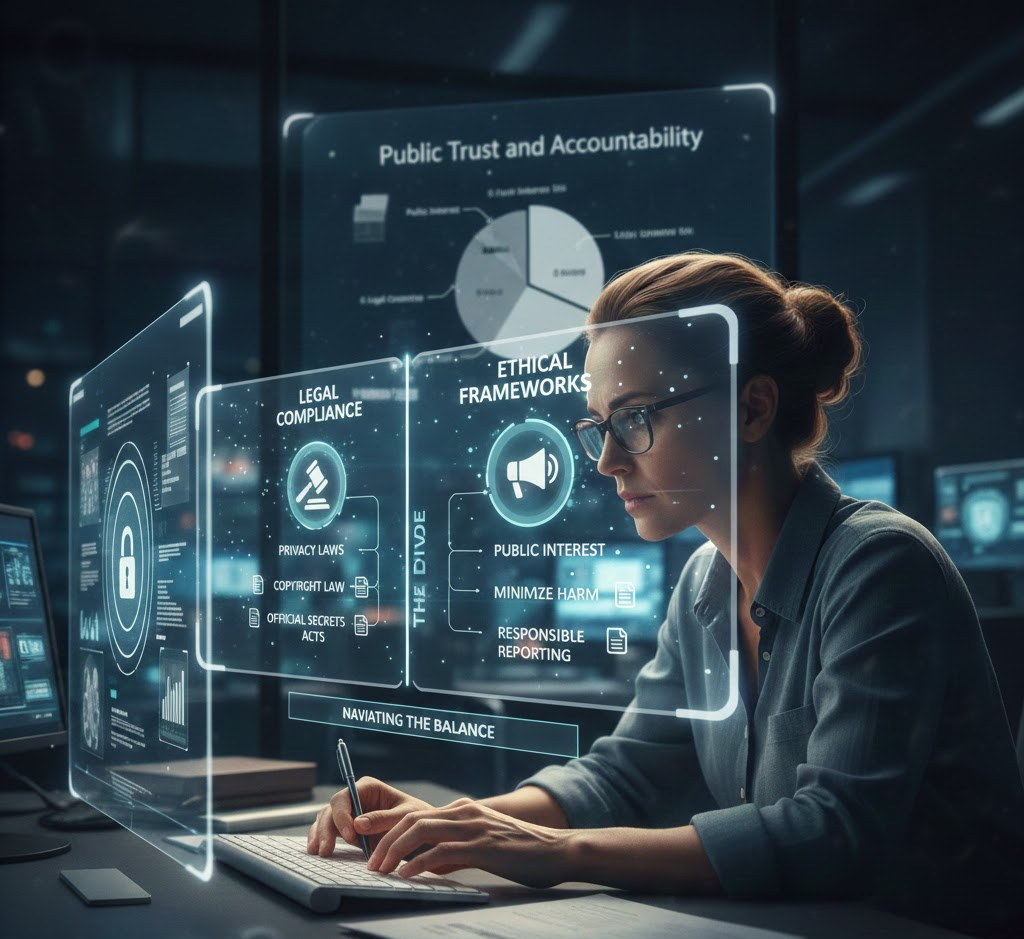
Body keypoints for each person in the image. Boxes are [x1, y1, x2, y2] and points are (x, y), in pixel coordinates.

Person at [309, 252, 1024, 936]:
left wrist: (557, 852)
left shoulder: (878, 564)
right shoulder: (705, 583)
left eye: (635, 416)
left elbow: (833, 831)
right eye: (599, 425)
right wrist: (461, 821)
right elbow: (627, 775)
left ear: (753, 409)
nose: (609, 460)